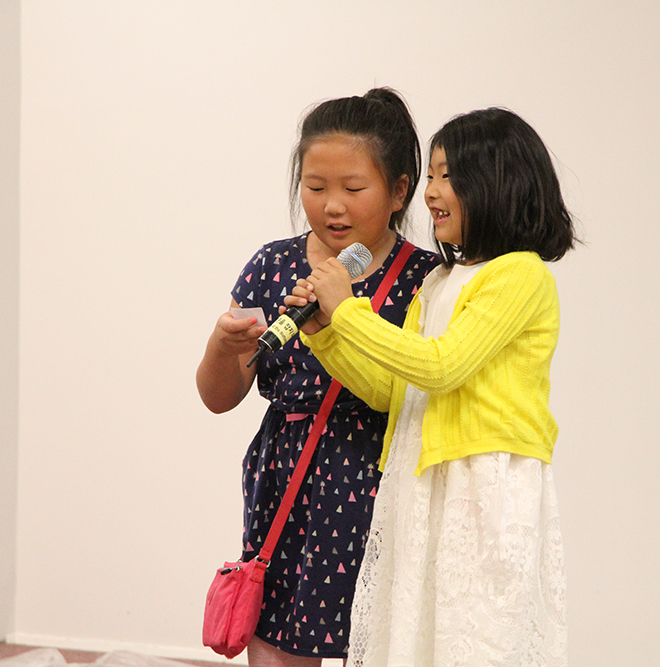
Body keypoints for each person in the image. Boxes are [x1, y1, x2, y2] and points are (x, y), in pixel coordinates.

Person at [285, 107, 577, 667]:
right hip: (421, 480)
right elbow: (396, 391)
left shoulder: (520, 274)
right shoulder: (441, 279)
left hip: (481, 484)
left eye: (449, 176)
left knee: (474, 638)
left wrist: (347, 310)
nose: (432, 193)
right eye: (433, 176)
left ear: (498, 185)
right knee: (417, 640)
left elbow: (442, 366)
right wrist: (326, 334)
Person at [196, 87, 440, 666]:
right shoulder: (273, 264)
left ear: (399, 190)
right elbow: (218, 397)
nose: (333, 206)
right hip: (284, 479)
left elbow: (425, 382)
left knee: (379, 636)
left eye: (353, 189)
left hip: (378, 480)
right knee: (277, 640)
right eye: (315, 187)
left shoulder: (426, 277)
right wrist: (223, 346)